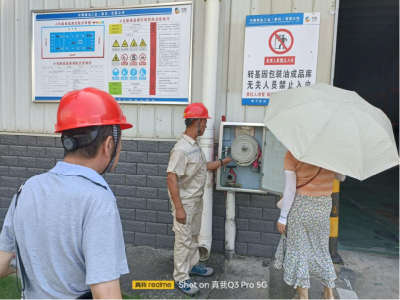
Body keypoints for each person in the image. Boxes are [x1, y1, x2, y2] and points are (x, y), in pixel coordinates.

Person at [0, 88, 133, 299]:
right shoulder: (98, 200)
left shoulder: (27, 189)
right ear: (109, 145)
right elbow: (104, 294)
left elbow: (3, 263)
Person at [166, 103, 232, 296]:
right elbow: (171, 179)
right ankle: (181, 277)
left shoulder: (195, 147)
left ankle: (193, 265)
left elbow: (204, 166)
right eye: (204, 122)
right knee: (183, 240)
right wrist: (179, 208)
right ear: (197, 122)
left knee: (193, 235)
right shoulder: (181, 149)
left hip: (195, 201)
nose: (205, 126)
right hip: (184, 204)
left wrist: (224, 162)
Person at [275, 151, 346, 300]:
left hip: (300, 207)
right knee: (321, 250)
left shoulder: (293, 154)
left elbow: (290, 189)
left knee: (299, 252)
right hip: (323, 207)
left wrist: (283, 217)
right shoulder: (331, 152)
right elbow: (341, 177)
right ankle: (329, 294)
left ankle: (303, 297)